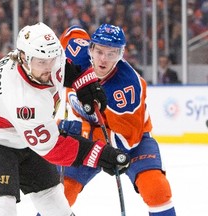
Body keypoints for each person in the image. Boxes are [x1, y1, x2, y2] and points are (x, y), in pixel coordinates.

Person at [0, 22, 130, 216]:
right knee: (1, 208)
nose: (49, 68)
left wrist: (85, 83)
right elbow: (55, 148)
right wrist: (102, 154)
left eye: (52, 59)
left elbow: (70, 61)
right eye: (41, 62)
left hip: (25, 134)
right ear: (23, 58)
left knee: (54, 201)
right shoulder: (22, 99)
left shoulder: (43, 58)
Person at [58, 24, 177, 216]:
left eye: (112, 53)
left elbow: (125, 141)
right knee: (60, 193)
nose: (104, 59)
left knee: (155, 188)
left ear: (121, 55)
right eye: (99, 51)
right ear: (90, 48)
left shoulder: (126, 88)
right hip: (87, 134)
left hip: (134, 139)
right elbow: (73, 31)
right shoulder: (76, 53)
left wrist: (82, 132)